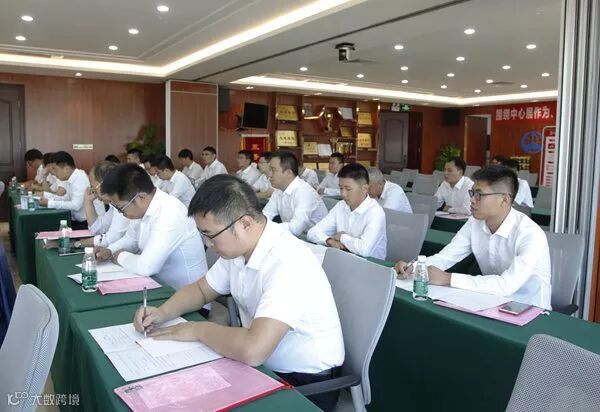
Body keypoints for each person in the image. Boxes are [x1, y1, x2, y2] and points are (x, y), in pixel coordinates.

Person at [133, 175, 344, 411]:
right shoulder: (240, 249)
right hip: (260, 367)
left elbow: (254, 349)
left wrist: (197, 330)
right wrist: (161, 312)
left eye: (210, 235)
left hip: (303, 384)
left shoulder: (288, 261)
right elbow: (202, 290)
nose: (208, 244)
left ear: (244, 224)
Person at [395, 165, 551, 309]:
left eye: (479, 195)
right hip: (491, 300)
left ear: (504, 199)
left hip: (530, 309)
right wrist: (414, 267)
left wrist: (448, 278)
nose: (472, 199)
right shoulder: (474, 223)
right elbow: (446, 257)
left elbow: (506, 285)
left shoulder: (530, 234)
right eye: (472, 193)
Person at [95, 164, 207, 291]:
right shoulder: (143, 209)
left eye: (121, 208)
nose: (121, 213)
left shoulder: (169, 212)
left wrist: (120, 256)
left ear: (140, 197)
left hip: (185, 294)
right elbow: (131, 240)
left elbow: (146, 266)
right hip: (159, 286)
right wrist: (109, 251)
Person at [307, 163, 387, 260]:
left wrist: (342, 237)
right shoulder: (341, 206)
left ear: (365, 189)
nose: (343, 194)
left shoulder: (376, 212)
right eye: (341, 188)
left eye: (348, 189)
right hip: (344, 258)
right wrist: (329, 240)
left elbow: (364, 249)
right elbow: (312, 232)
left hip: (371, 264)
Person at [263, 151, 328, 236]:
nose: (269, 174)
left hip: (314, 240)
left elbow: (296, 228)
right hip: (295, 237)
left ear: (288, 173)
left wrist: (270, 228)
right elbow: (266, 215)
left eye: (273, 170)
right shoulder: (279, 190)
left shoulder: (304, 192)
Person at [78, 161, 132, 248]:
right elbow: (97, 229)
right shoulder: (114, 204)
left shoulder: (125, 201)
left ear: (103, 184)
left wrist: (77, 244)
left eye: (93, 187)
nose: (92, 191)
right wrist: (88, 201)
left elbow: (111, 238)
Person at [39, 151, 90, 230]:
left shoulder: (80, 178)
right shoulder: (70, 178)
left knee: (51, 228)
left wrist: (49, 203)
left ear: (66, 169)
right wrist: (46, 195)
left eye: (55, 169)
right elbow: (67, 198)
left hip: (86, 224)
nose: (53, 173)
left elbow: (75, 205)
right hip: (76, 220)